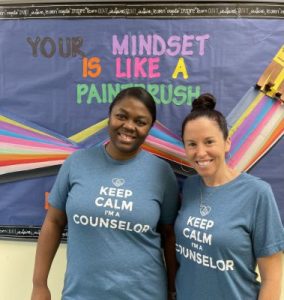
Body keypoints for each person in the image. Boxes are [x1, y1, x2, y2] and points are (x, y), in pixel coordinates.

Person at [31, 87, 179, 300]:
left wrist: (173, 290)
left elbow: (169, 235)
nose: (129, 126)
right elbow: (53, 222)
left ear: (150, 127)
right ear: (109, 116)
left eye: (140, 121)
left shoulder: (161, 173)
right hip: (80, 295)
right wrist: (39, 285)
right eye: (121, 116)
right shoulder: (77, 163)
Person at [174, 93, 284, 299]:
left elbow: (273, 278)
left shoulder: (257, 193)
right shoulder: (188, 187)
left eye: (209, 142)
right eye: (192, 144)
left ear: (227, 143)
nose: (200, 152)